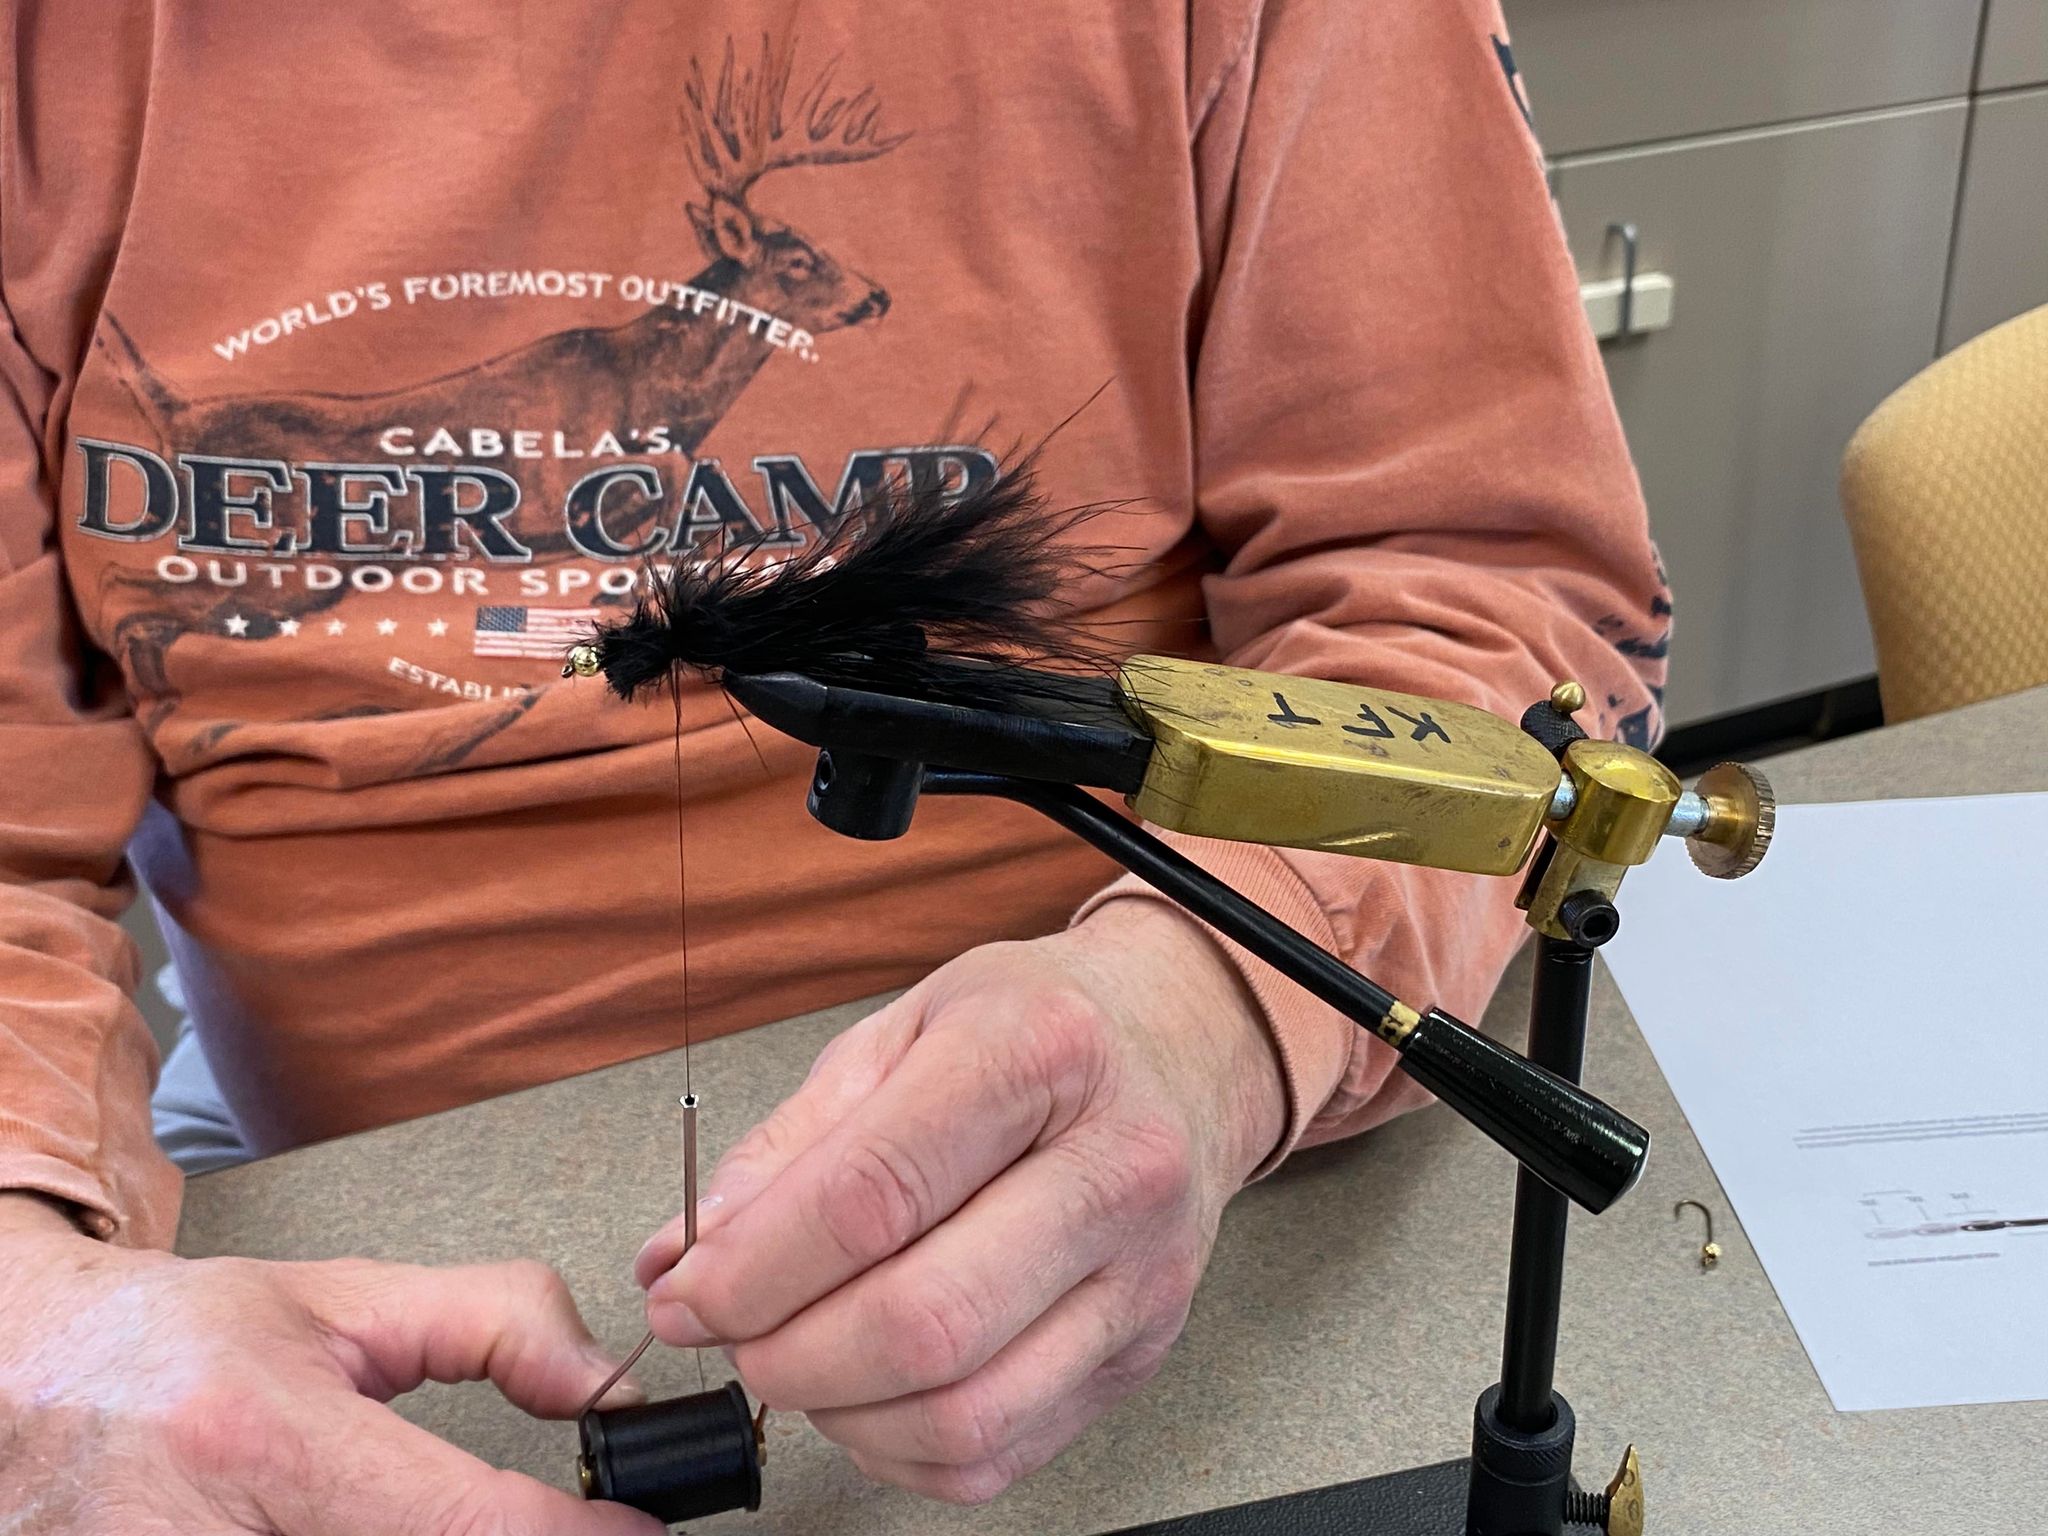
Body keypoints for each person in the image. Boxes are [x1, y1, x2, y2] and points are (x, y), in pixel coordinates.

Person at [0, 0, 1669, 1528]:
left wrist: (1204, 1021)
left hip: (1209, 1204)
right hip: (300, 1202)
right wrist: (33, 1315)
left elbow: (1485, 594)